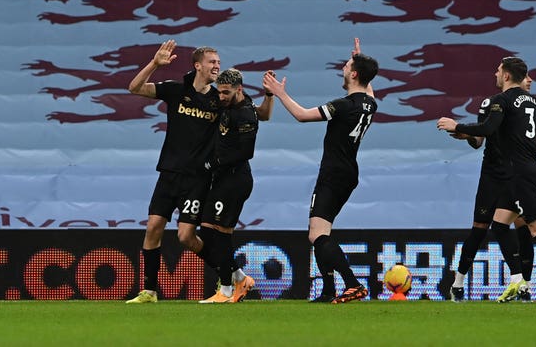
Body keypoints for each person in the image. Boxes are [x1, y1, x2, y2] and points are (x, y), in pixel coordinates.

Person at [126, 41, 273, 303]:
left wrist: (270, 95)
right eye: (212, 62)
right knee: (153, 227)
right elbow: (134, 88)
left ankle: (234, 275)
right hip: (169, 172)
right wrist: (154, 64)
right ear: (197, 65)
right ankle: (149, 291)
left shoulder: (220, 98)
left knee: (186, 237)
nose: (217, 65)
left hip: (198, 178)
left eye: (218, 62)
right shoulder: (176, 90)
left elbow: (256, 114)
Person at [437, 57, 536, 303]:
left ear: (506, 76)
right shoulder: (534, 101)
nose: (495, 74)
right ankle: (517, 279)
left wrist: (457, 125)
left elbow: (487, 129)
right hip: (523, 170)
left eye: (498, 70)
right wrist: (525, 132)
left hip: (519, 172)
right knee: (499, 223)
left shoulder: (501, 101)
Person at [263, 38, 379, 304]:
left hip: (333, 173)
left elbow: (302, 115)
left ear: (354, 74)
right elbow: (367, 89)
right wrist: (360, 59)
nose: (343, 68)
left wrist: (279, 93)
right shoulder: (369, 104)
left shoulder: (343, 105)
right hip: (349, 172)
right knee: (320, 232)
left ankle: (352, 284)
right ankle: (328, 291)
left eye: (347, 65)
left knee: (317, 235)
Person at [447, 75, 536, 302]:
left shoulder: (530, 108)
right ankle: (458, 282)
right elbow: (478, 140)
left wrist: (529, 140)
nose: (530, 81)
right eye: (526, 77)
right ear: (514, 78)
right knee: (479, 228)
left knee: (523, 228)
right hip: (492, 176)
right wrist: (466, 135)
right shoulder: (491, 104)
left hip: (516, 174)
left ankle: (523, 284)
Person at [197, 68, 267, 303]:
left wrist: (214, 162)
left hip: (236, 180)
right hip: (224, 179)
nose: (221, 96)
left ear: (239, 89)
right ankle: (238, 277)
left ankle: (226, 290)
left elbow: (247, 151)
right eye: (220, 92)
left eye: (226, 92)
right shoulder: (234, 102)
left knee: (221, 234)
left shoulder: (245, 114)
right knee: (207, 230)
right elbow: (265, 113)